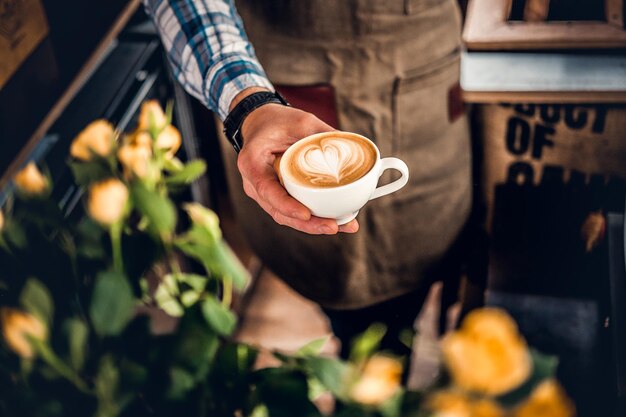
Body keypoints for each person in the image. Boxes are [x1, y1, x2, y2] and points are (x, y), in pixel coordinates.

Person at [143, 0, 473, 361]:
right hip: (283, 92)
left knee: (413, 283)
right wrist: (248, 105)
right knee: (346, 305)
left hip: (428, 86)